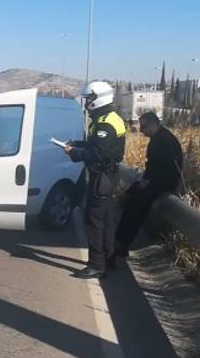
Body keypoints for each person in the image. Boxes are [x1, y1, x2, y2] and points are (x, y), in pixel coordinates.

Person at [63, 81, 126, 279]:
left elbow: (98, 154)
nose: (87, 102)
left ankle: (97, 265)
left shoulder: (106, 123)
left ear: (98, 98)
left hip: (102, 177)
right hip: (107, 176)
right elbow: (96, 146)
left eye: (89, 98)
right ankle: (109, 259)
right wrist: (78, 144)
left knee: (94, 220)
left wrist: (75, 153)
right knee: (106, 220)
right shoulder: (107, 118)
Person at [115, 112, 183, 257]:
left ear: (154, 123)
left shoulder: (162, 140)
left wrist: (148, 182)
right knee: (132, 198)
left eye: (144, 126)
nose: (141, 130)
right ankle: (120, 242)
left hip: (162, 183)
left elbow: (165, 167)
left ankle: (121, 243)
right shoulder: (161, 137)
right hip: (159, 181)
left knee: (135, 207)